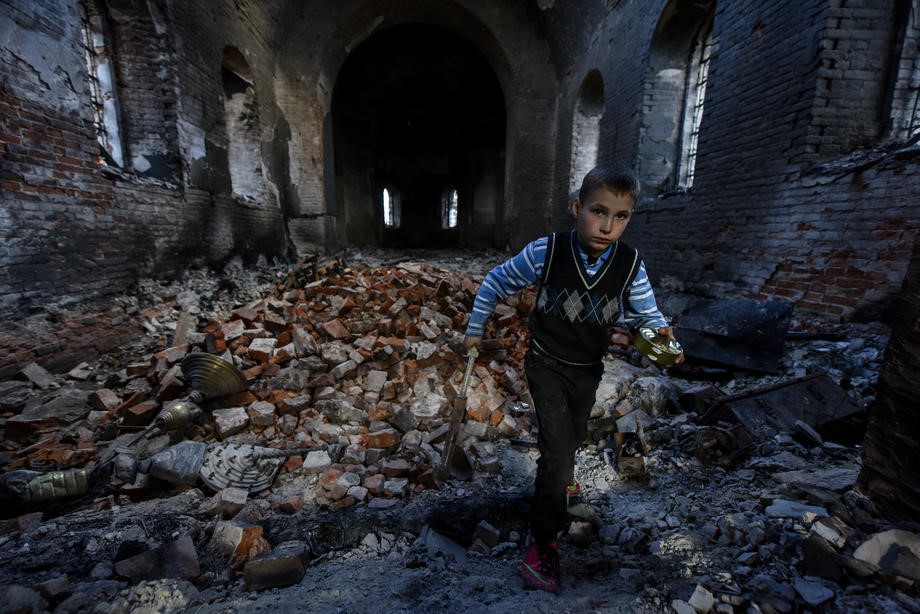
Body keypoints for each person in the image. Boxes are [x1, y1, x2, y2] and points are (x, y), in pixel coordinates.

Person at [463, 164, 683, 594]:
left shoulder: (631, 264)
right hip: (545, 362)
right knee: (557, 451)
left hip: (588, 368)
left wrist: (662, 338)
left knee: (575, 434)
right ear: (577, 207)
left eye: (620, 216)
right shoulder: (548, 251)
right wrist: (475, 328)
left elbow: (646, 315)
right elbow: (495, 280)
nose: (607, 225)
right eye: (598, 212)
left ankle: (564, 478)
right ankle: (542, 542)